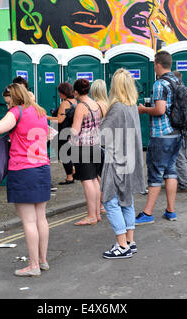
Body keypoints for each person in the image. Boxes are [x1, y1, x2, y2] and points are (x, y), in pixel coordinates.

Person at [0, 83, 50, 277]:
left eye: (8, 102)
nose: (7, 107)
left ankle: (33, 265)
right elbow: (48, 135)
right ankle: (42, 260)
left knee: (28, 221)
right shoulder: (40, 111)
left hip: (24, 170)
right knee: (41, 217)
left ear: (15, 98)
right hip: (42, 168)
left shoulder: (17, 112)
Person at [100, 68, 146, 259]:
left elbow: (102, 136)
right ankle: (130, 241)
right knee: (127, 200)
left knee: (110, 201)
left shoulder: (117, 107)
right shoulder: (132, 105)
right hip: (131, 159)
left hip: (117, 160)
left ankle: (122, 246)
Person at [136, 51, 182, 223]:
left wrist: (143, 109)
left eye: (154, 63)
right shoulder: (177, 81)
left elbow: (160, 110)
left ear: (157, 64)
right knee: (170, 171)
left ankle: (147, 213)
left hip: (161, 134)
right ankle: (171, 211)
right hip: (177, 133)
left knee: (155, 174)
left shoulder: (160, 84)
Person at [71, 78, 103, 225]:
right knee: (95, 180)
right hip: (95, 144)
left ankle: (91, 215)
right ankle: (96, 213)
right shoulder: (95, 104)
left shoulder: (81, 106)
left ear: (76, 92)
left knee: (87, 181)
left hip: (83, 147)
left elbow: (75, 130)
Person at [47, 82, 77, 185]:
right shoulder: (74, 101)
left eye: (60, 92)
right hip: (71, 131)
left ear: (64, 92)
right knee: (69, 153)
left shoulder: (65, 103)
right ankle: (73, 170)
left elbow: (60, 119)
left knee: (64, 155)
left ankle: (69, 177)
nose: (58, 94)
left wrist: (45, 117)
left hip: (63, 132)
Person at [173, 71, 187, 193]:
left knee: (180, 158)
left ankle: (184, 185)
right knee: (185, 157)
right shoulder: (186, 91)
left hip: (180, 128)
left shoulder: (177, 91)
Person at [90, 79, 108, 213]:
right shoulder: (109, 104)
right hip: (109, 142)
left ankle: (101, 204)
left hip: (98, 142)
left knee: (97, 176)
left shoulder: (96, 105)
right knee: (105, 174)